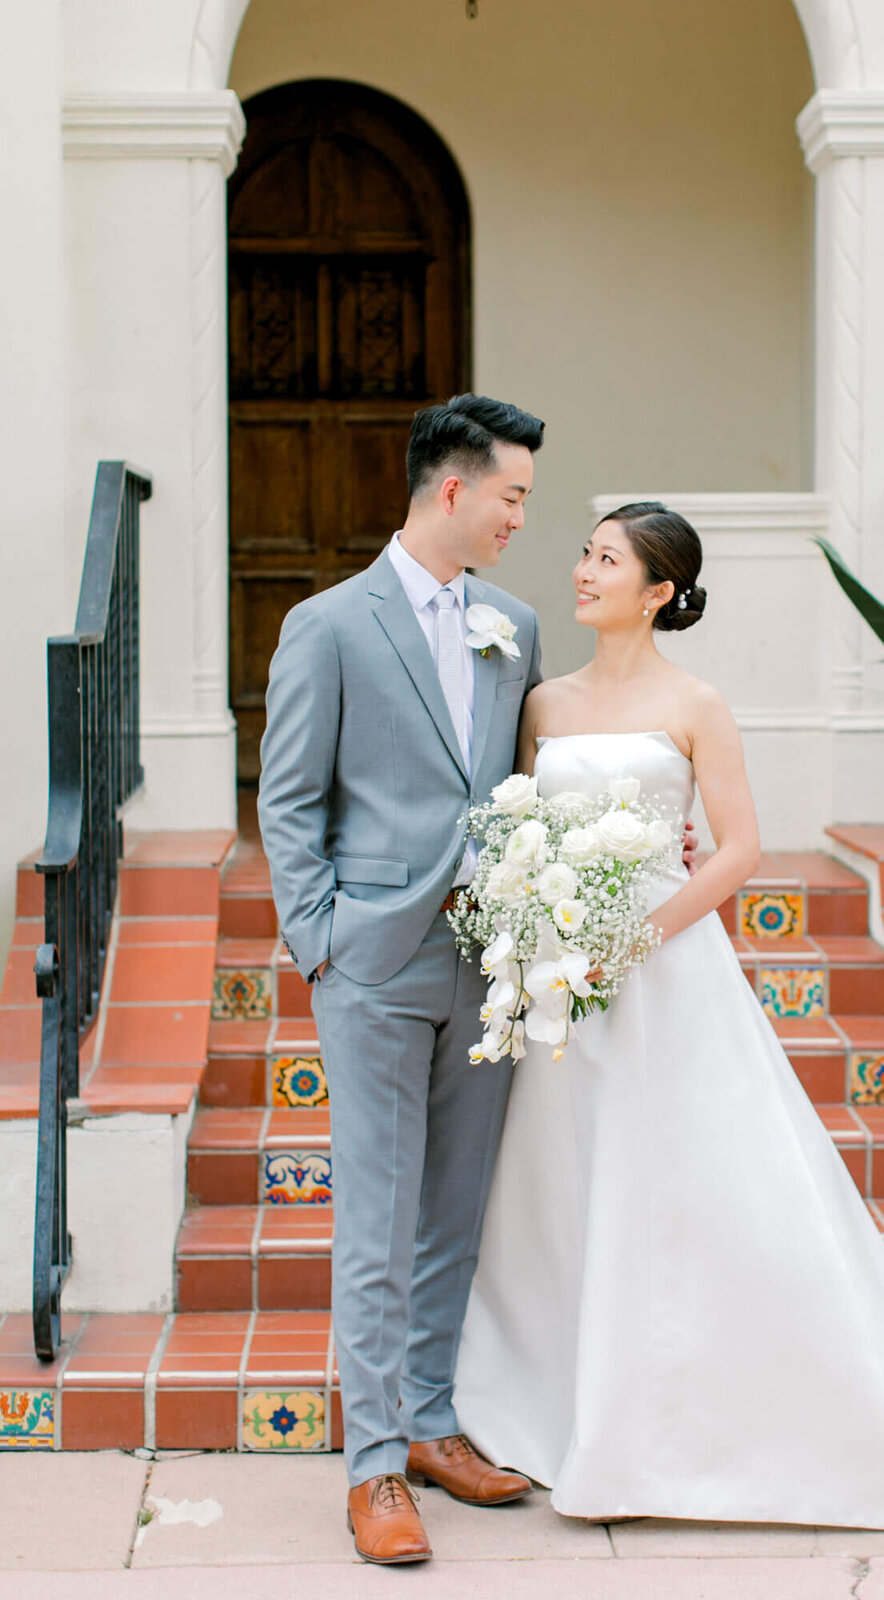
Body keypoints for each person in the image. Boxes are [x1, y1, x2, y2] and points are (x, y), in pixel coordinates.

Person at [453, 501, 884, 1529]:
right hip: (563, 984)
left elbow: (740, 847)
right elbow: (520, 825)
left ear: (659, 590)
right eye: (584, 552)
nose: (582, 571)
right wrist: (542, 926)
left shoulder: (698, 702)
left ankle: (709, 1422)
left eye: (606, 559)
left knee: (688, 1184)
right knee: (565, 1186)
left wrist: (637, 935)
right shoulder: (545, 705)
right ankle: (564, 1401)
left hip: (664, 971)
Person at [257, 395, 547, 1564]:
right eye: (514, 496)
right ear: (452, 490)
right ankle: (372, 1465)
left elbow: (532, 772)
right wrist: (320, 937)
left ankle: (430, 1421)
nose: (524, 516)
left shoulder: (516, 623)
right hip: (372, 963)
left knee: (453, 1210)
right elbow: (287, 799)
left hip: (486, 960)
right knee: (375, 1218)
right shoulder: (327, 626)